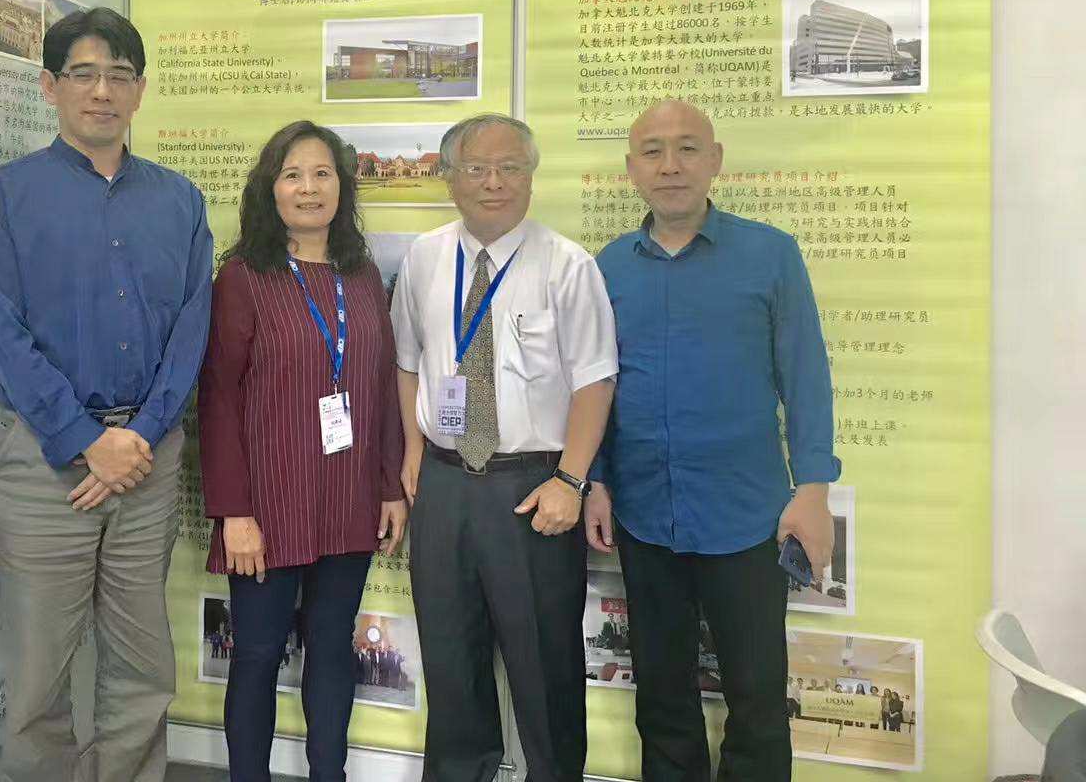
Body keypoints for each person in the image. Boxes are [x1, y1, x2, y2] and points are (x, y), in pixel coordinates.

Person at [0, 7, 212, 782]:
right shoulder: (2, 198)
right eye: (84, 74)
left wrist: (139, 436)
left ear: (139, 91)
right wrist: (84, 439)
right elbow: (0, 332)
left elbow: (192, 329)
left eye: (120, 76)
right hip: (43, 462)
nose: (102, 91)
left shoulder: (179, 200)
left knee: (142, 665)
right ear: (50, 86)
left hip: (147, 460)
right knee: (39, 672)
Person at [586, 99, 840, 782]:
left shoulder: (770, 254)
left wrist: (813, 489)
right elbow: (597, 385)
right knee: (662, 697)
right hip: (645, 513)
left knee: (756, 699)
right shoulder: (609, 267)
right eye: (653, 151)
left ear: (716, 160)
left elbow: (806, 378)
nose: (670, 165)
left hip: (747, 515)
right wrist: (598, 480)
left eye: (688, 148)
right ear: (632, 169)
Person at [392, 113, 619, 782]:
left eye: (510, 168)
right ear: (450, 178)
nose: (494, 182)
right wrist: (412, 450)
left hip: (533, 487)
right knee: (450, 660)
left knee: (545, 667)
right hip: (443, 482)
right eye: (477, 168)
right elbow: (407, 362)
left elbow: (596, 379)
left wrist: (571, 480)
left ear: (530, 177)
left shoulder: (567, 264)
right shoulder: (424, 257)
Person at [198, 121, 407, 782]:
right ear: (271, 188)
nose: (308, 188)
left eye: (322, 174)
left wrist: (390, 487)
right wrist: (233, 512)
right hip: (268, 504)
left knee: (333, 649)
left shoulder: (362, 274)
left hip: (348, 498)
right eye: (293, 175)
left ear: (342, 187)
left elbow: (381, 384)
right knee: (258, 655)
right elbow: (218, 398)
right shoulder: (243, 277)